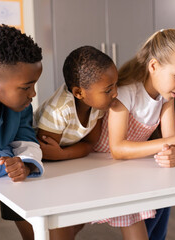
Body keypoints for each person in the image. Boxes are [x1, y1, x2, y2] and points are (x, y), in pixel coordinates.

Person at [93, 29, 175, 240]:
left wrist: (171, 153)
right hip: (100, 167)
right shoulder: (126, 92)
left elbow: (169, 142)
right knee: (69, 227)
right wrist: (171, 142)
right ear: (154, 66)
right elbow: (117, 149)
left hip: (129, 168)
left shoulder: (166, 97)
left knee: (152, 220)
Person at [34, 46, 118, 239]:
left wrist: (63, 154)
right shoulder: (59, 110)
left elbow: (90, 144)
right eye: (108, 89)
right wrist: (62, 154)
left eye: (115, 85)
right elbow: (46, 153)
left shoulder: (98, 105)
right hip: (43, 168)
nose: (115, 93)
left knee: (75, 219)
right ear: (79, 93)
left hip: (66, 161)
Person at [0, 25, 44, 240]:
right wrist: (12, 155)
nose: (33, 93)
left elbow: (28, 140)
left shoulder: (20, 103)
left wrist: (25, 162)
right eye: (26, 87)